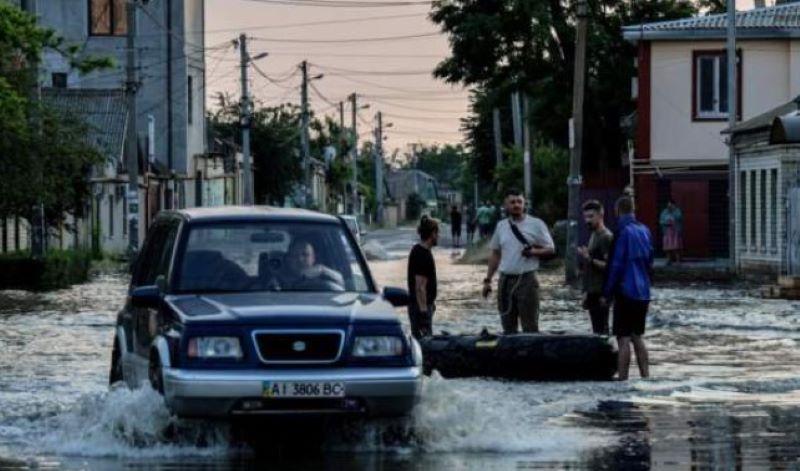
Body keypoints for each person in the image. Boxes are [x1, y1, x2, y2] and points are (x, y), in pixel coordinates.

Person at [482, 189, 555, 334]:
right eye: (512, 202)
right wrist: (487, 281)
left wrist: (533, 252)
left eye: (519, 202)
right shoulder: (501, 226)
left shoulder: (536, 224)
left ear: (524, 204)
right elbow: (495, 254)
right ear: (506, 205)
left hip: (527, 279)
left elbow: (551, 249)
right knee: (507, 327)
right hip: (505, 280)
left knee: (530, 326)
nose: (516, 205)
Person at [602, 196, 654, 381]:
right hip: (643, 291)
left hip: (626, 291)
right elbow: (650, 261)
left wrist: (606, 293)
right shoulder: (645, 230)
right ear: (634, 209)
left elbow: (616, 265)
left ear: (617, 211)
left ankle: (622, 379)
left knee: (623, 338)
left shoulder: (622, 232)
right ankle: (645, 377)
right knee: (637, 336)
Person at [577, 200, 614, 335]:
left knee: (601, 331)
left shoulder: (606, 237)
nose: (587, 220)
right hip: (592, 290)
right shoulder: (593, 234)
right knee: (596, 330)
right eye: (585, 217)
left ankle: (607, 355)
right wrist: (585, 291)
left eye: (591, 216)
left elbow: (609, 267)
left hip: (601, 291)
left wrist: (589, 259)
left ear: (600, 215)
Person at [407, 216, 440, 339]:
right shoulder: (423, 255)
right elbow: (420, 288)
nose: (439, 237)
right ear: (432, 234)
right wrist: (424, 314)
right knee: (424, 343)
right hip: (419, 309)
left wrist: (430, 302)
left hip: (420, 306)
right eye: (437, 233)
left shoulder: (418, 250)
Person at [659, 199, 683, 265]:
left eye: (671, 204)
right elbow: (661, 221)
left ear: (674, 204)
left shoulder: (677, 211)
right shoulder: (664, 212)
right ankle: (668, 260)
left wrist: (673, 212)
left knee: (676, 246)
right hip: (667, 231)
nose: (669, 206)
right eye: (668, 204)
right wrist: (665, 222)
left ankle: (678, 260)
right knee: (667, 247)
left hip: (675, 231)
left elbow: (679, 217)